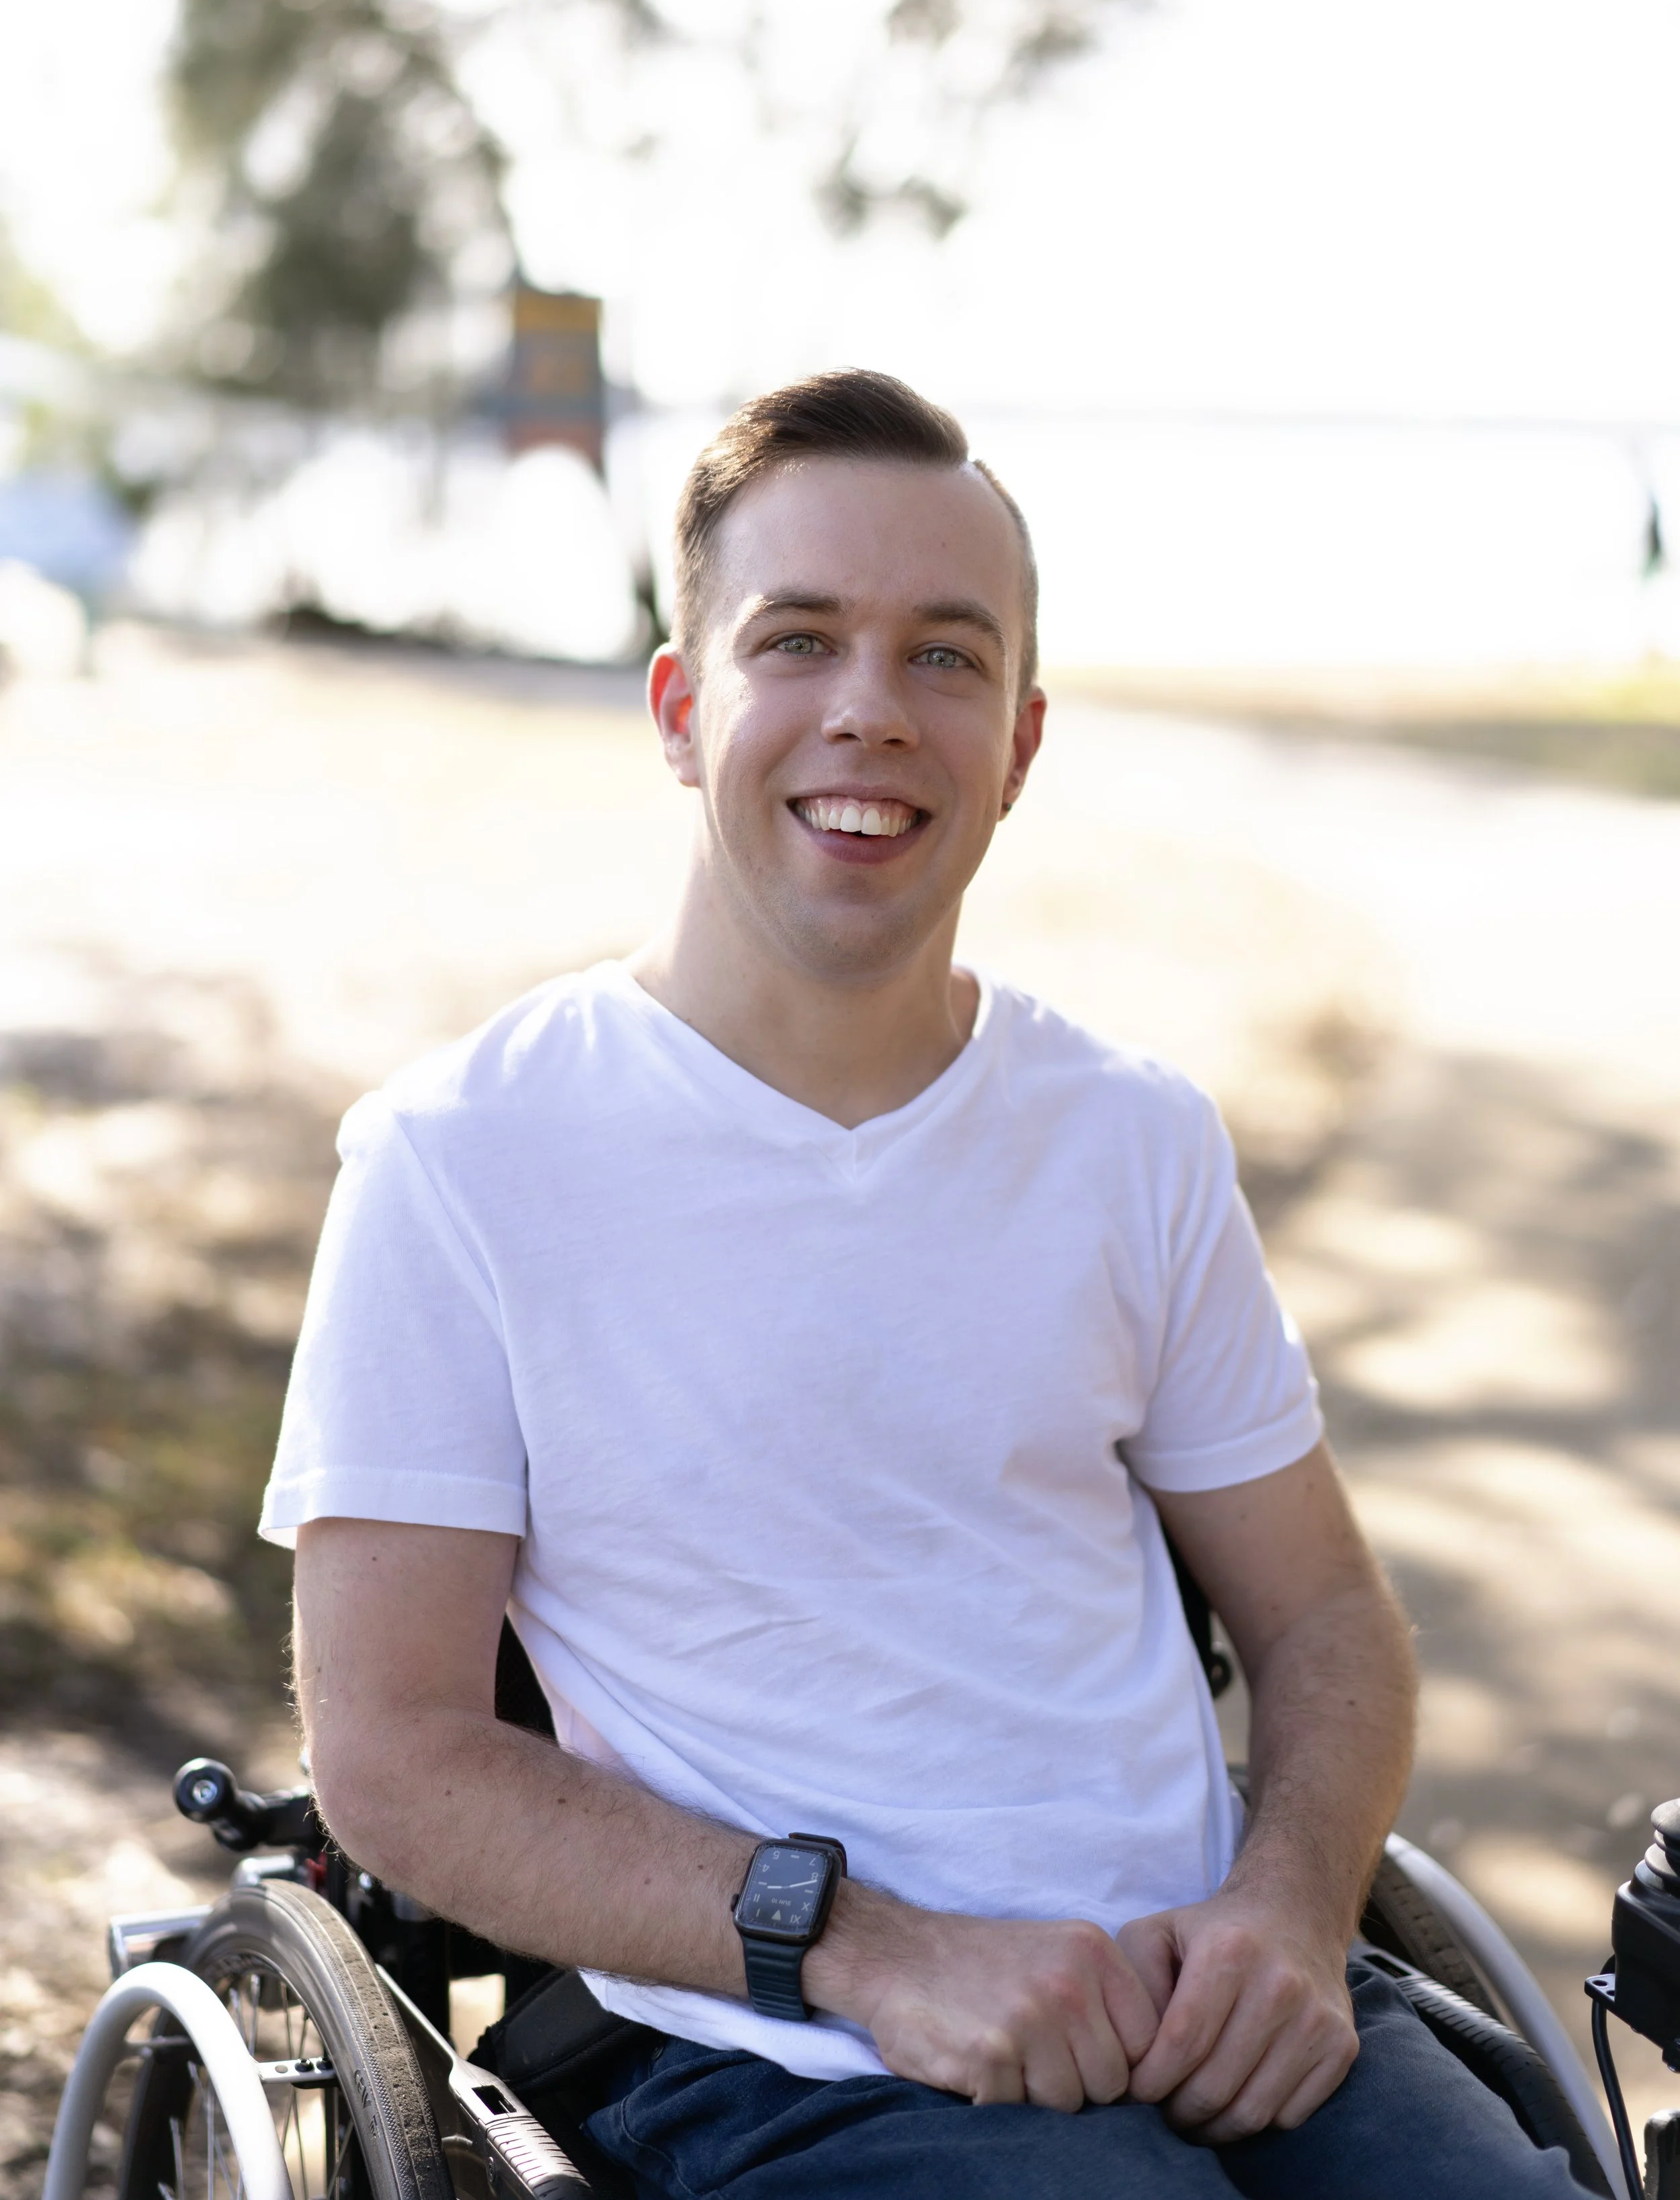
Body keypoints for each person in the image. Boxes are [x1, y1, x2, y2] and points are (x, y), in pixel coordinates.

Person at [265, 370, 1589, 2197]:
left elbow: (1325, 1625)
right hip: (772, 2046)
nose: (870, 713)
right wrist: (872, 1948)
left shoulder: (1129, 1138)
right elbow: (395, 1752)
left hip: (1226, 1999)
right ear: (679, 706)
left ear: (1021, 742)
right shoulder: (460, 1162)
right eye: (796, 641)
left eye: (943, 657)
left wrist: (1285, 1912)